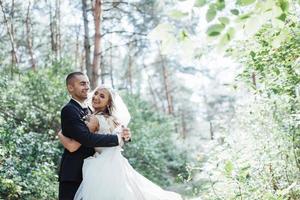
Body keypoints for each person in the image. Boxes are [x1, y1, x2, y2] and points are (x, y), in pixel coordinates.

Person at [59, 85, 183, 200]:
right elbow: (122, 139)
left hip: (101, 164)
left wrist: (61, 135)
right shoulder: (116, 120)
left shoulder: (93, 119)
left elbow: (76, 144)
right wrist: (125, 138)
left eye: (102, 96)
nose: (96, 97)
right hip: (117, 162)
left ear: (108, 103)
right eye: (96, 93)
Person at [58, 72, 131, 200]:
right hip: (73, 173)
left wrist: (125, 136)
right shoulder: (69, 110)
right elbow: (86, 139)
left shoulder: (91, 111)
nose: (87, 87)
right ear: (70, 88)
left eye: (87, 83)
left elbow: (113, 129)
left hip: (93, 171)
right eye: (82, 83)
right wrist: (116, 139)